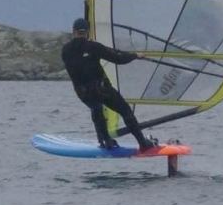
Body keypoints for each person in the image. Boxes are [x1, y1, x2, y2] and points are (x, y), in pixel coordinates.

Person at [61, 17, 155, 151]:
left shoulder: (65, 50)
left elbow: (79, 57)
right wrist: (135, 56)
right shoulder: (93, 46)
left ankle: (106, 140)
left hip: (82, 93)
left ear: (73, 31)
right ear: (87, 32)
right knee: (125, 111)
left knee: (96, 108)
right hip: (101, 89)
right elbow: (118, 59)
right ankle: (143, 143)